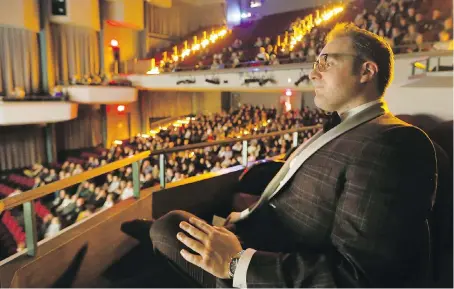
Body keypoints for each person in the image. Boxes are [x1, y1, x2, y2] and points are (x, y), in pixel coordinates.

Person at [140, 24, 438, 287]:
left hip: (271, 262)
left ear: (366, 71)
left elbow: (360, 277)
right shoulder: (345, 128)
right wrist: (241, 220)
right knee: (168, 229)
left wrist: (236, 263)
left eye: (327, 62)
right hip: (259, 233)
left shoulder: (395, 142)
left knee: (167, 229)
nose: (313, 72)